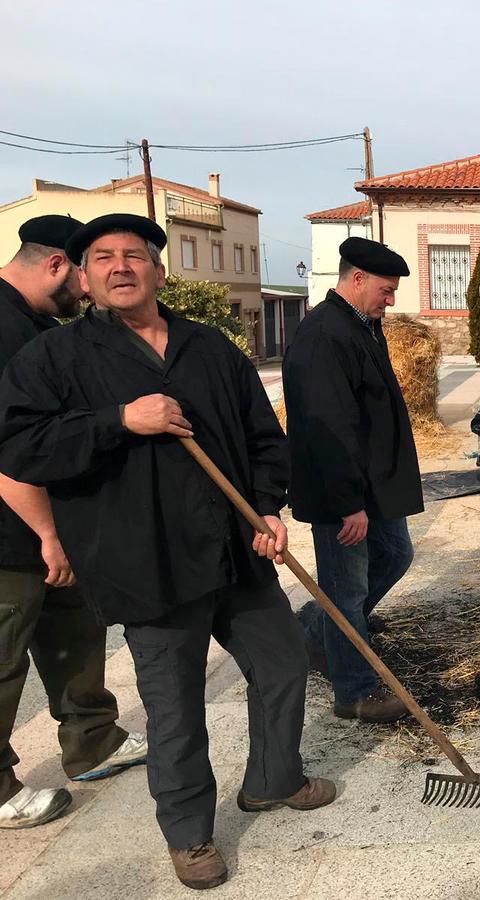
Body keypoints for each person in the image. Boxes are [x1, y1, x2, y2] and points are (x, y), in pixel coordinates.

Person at [0, 214, 334, 890]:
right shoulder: (54, 359)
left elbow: (263, 435)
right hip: (144, 562)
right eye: (103, 258)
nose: (120, 267)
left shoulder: (209, 347)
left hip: (234, 552)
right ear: (85, 277)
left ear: (158, 270)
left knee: (283, 665)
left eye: (134, 255)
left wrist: (268, 506)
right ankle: (189, 835)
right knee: (176, 710)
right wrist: (117, 421)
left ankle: (273, 780)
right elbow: (20, 447)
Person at [0, 216, 148, 830]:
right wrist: (48, 535)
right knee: (4, 654)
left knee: (73, 632)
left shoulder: (34, 323)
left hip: (49, 524)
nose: (89, 291)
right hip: (12, 530)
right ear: (60, 265)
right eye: (85, 274)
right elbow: (9, 450)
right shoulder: (6, 331)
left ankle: (93, 740)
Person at [283, 237, 422, 723]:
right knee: (346, 586)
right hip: (343, 492)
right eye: (386, 290)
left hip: (374, 485)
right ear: (356, 279)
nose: (391, 300)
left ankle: (320, 628)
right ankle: (355, 692)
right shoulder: (324, 335)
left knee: (395, 555)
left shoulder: (361, 324)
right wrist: (348, 502)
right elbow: (326, 425)